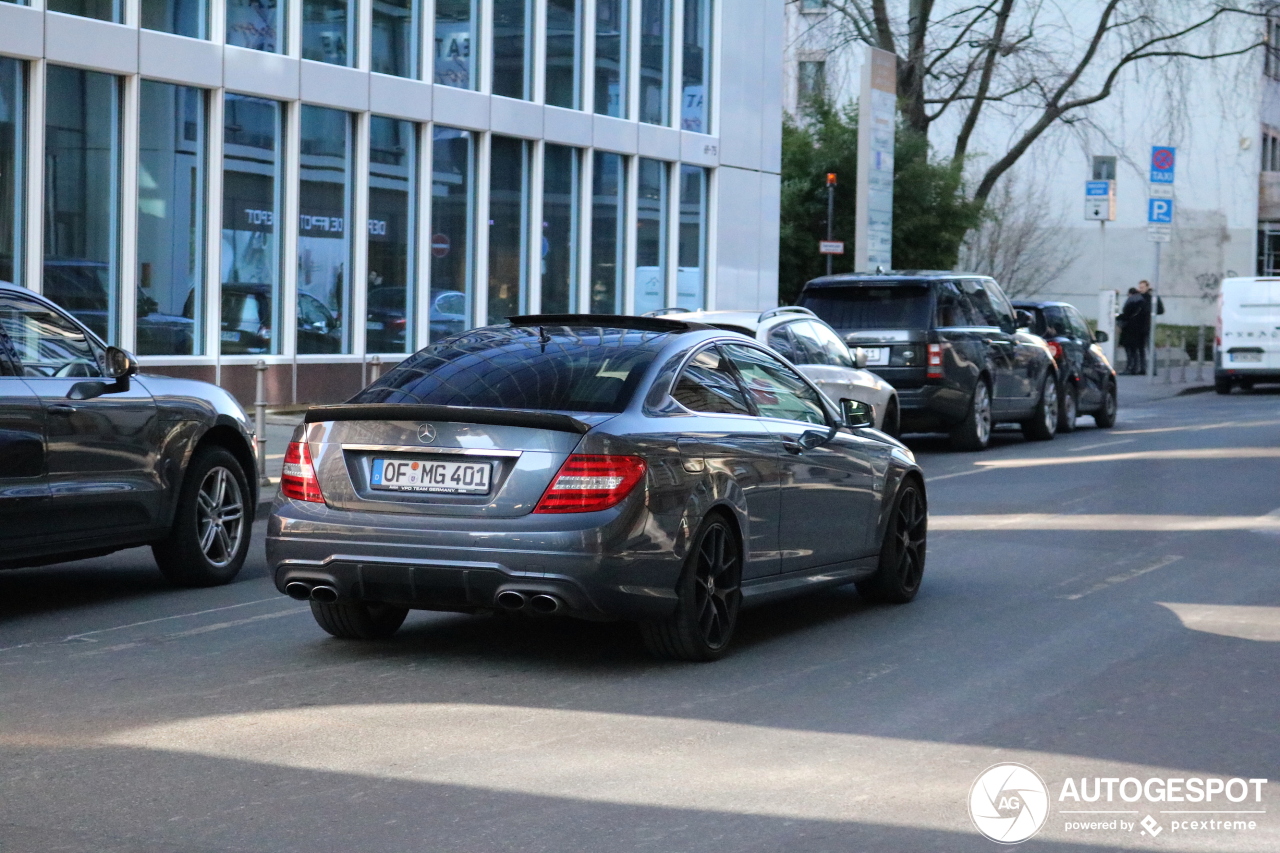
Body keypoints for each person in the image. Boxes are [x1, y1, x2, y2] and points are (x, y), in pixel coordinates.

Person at [1137, 279, 1165, 375]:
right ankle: (1142, 368)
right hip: (1139, 325)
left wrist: (1151, 311)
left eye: (1142, 287)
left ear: (1147, 287)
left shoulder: (1153, 297)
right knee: (1140, 348)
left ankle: (1153, 370)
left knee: (1150, 347)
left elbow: (1161, 310)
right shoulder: (1138, 297)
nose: (1141, 289)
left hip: (1148, 325)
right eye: (1140, 287)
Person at [1117, 287, 1145, 374]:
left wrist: (1118, 319)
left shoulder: (1130, 302)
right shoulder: (1143, 301)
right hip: (1139, 330)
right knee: (1135, 350)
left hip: (1129, 329)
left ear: (1130, 294)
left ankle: (1129, 368)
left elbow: (1126, 314)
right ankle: (1136, 368)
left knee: (1129, 350)